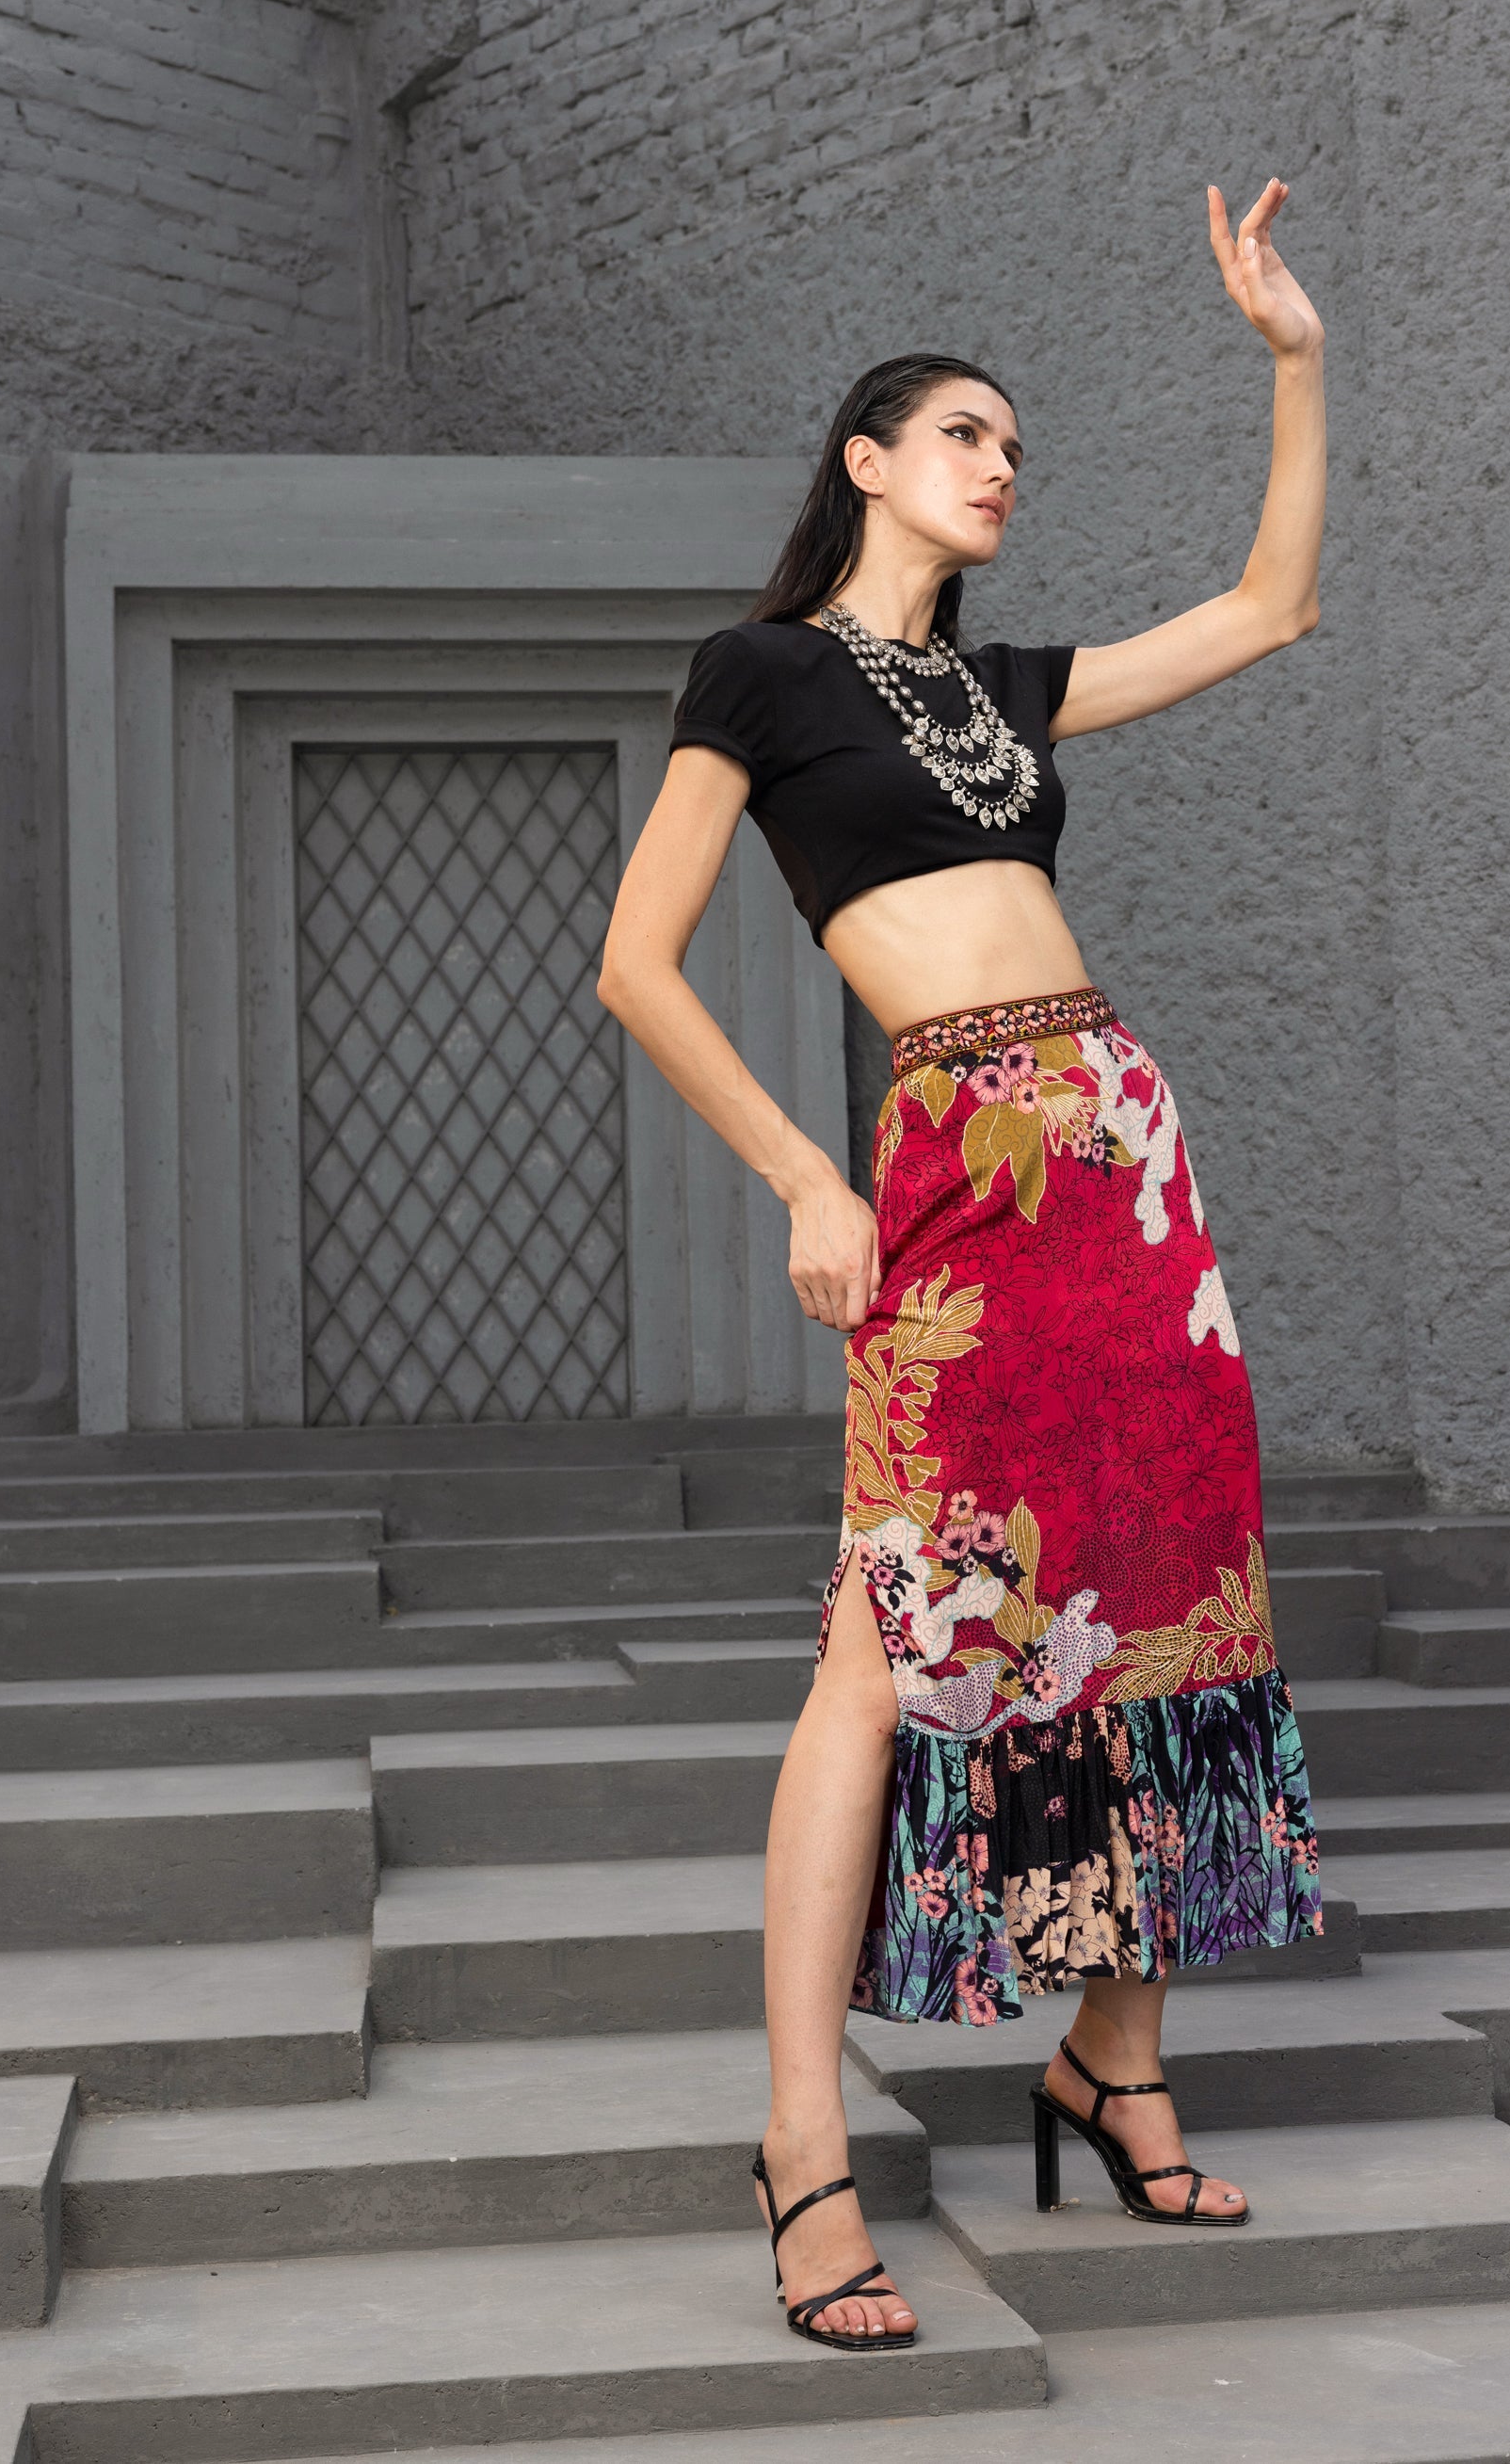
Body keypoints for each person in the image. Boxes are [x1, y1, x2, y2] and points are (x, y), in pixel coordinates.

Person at [598, 177, 1327, 2353]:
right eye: (961, 434)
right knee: (878, 1638)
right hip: (950, 1159)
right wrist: (804, 1183)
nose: (1000, 466)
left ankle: (1110, 2064)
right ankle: (799, 2139)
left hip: (1118, 1151)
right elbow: (635, 962)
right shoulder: (758, 671)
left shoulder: (1002, 690)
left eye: (1015, 445)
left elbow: (1268, 607)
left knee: (1170, 1595)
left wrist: (1291, 363)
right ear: (865, 457)